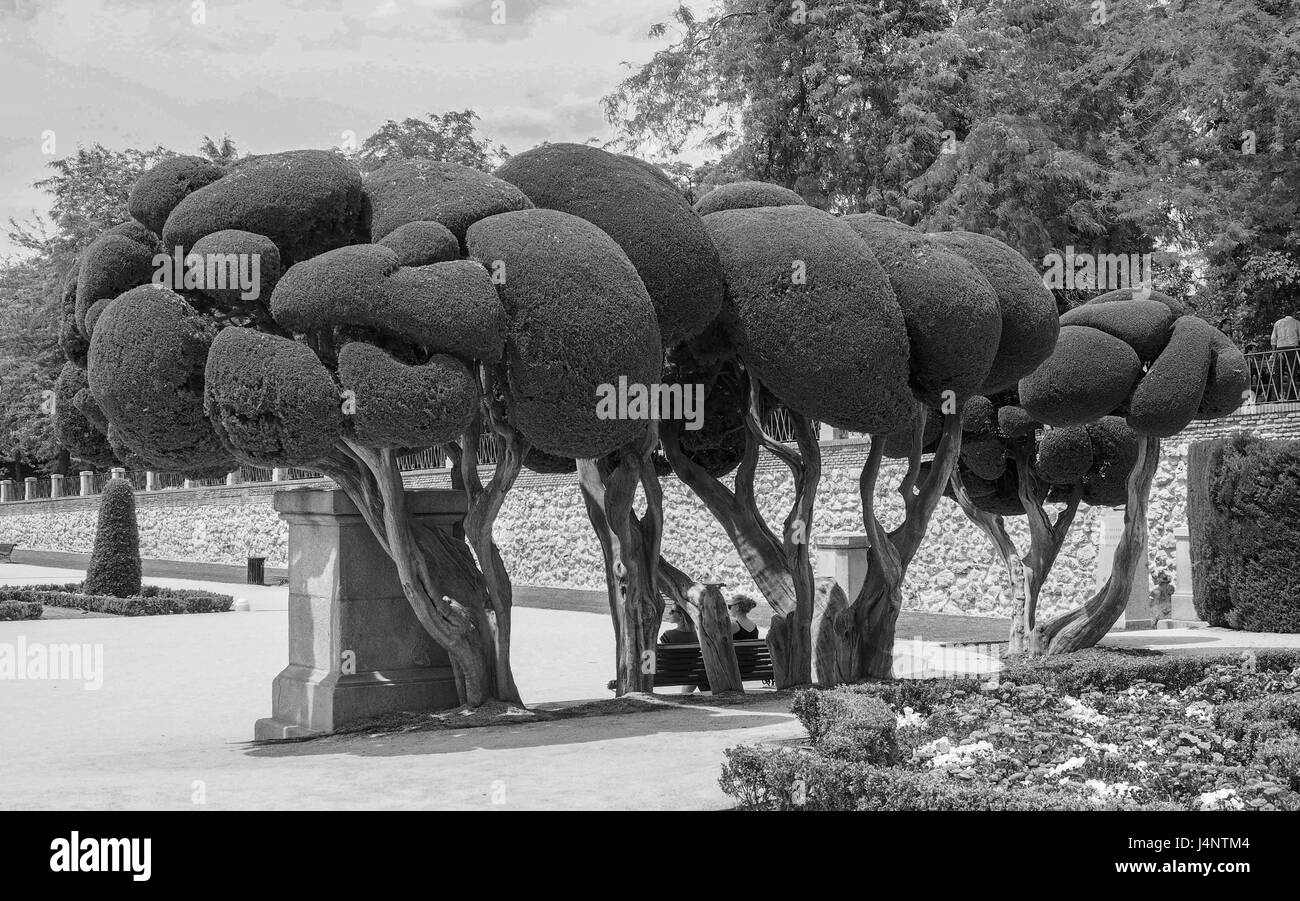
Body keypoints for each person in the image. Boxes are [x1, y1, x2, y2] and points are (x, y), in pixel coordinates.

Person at [1271, 313, 1300, 399]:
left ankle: (1274, 397)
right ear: (1293, 315)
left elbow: (1273, 339)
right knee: (1292, 372)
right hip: (1292, 349)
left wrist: (1273, 353)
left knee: (1277, 373)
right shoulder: (1296, 323)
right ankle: (1291, 396)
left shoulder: (1278, 323)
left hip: (1280, 349)